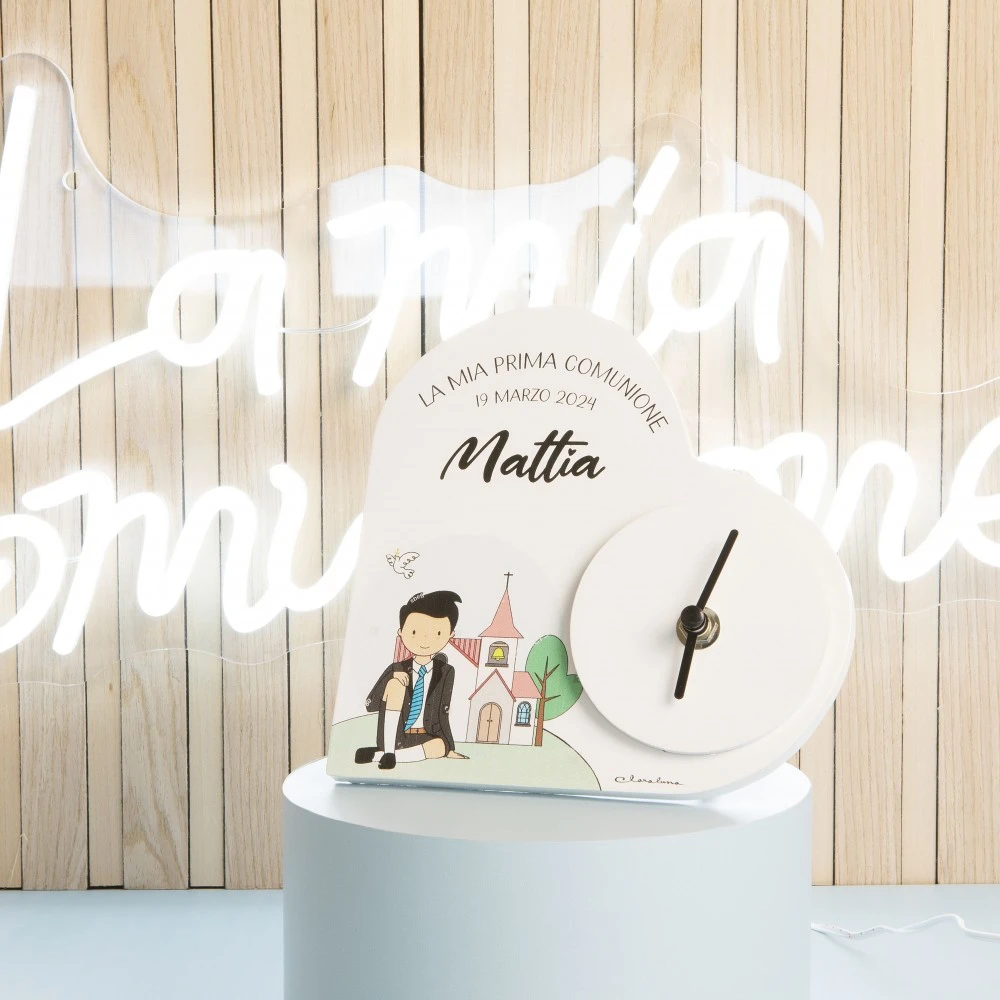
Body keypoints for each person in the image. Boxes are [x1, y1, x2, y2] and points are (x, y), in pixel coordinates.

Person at [355, 590, 469, 769]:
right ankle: (389, 751)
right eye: (415, 631)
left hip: (427, 735)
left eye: (438, 633)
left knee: (440, 747)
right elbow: (371, 704)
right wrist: (389, 678)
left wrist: (450, 747)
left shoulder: (446, 671)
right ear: (401, 632)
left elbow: (443, 711)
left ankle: (378, 756)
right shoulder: (397, 668)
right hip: (396, 736)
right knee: (396, 685)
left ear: (450, 635)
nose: (425, 639)